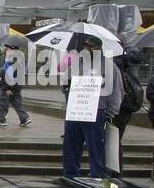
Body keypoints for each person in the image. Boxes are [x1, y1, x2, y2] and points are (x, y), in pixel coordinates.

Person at [61, 46, 119, 179]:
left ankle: (97, 175)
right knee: (70, 144)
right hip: (76, 110)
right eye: (88, 46)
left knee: (95, 146)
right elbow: (65, 83)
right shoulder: (77, 63)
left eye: (93, 47)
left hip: (97, 110)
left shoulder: (110, 66)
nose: (90, 49)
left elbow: (116, 91)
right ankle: (70, 174)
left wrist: (111, 113)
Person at [110, 48, 144, 175]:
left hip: (117, 111)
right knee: (115, 141)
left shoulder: (116, 67)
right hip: (124, 111)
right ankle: (115, 172)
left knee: (112, 142)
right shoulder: (128, 70)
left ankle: (114, 172)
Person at [0, 49, 32, 127]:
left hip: (7, 88)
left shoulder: (9, 65)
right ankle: (24, 118)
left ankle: (1, 119)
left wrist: (8, 89)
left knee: (3, 104)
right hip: (16, 87)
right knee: (18, 103)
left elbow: (8, 78)